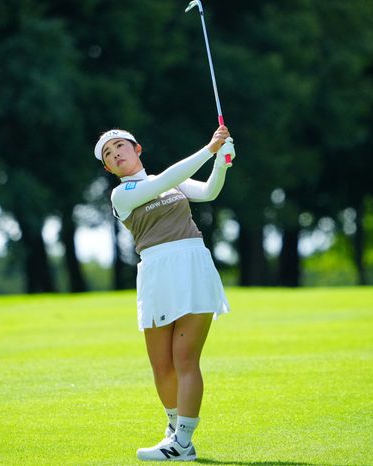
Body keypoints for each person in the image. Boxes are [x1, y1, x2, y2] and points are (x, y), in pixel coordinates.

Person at [93, 126, 235, 461]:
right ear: (108, 168)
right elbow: (165, 180)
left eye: (120, 146)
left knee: (185, 358)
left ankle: (183, 442)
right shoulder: (121, 195)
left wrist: (222, 161)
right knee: (161, 365)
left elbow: (209, 192)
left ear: (137, 149)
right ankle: (173, 430)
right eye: (108, 154)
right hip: (157, 270)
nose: (115, 153)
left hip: (192, 263)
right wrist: (209, 149)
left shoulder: (170, 180)